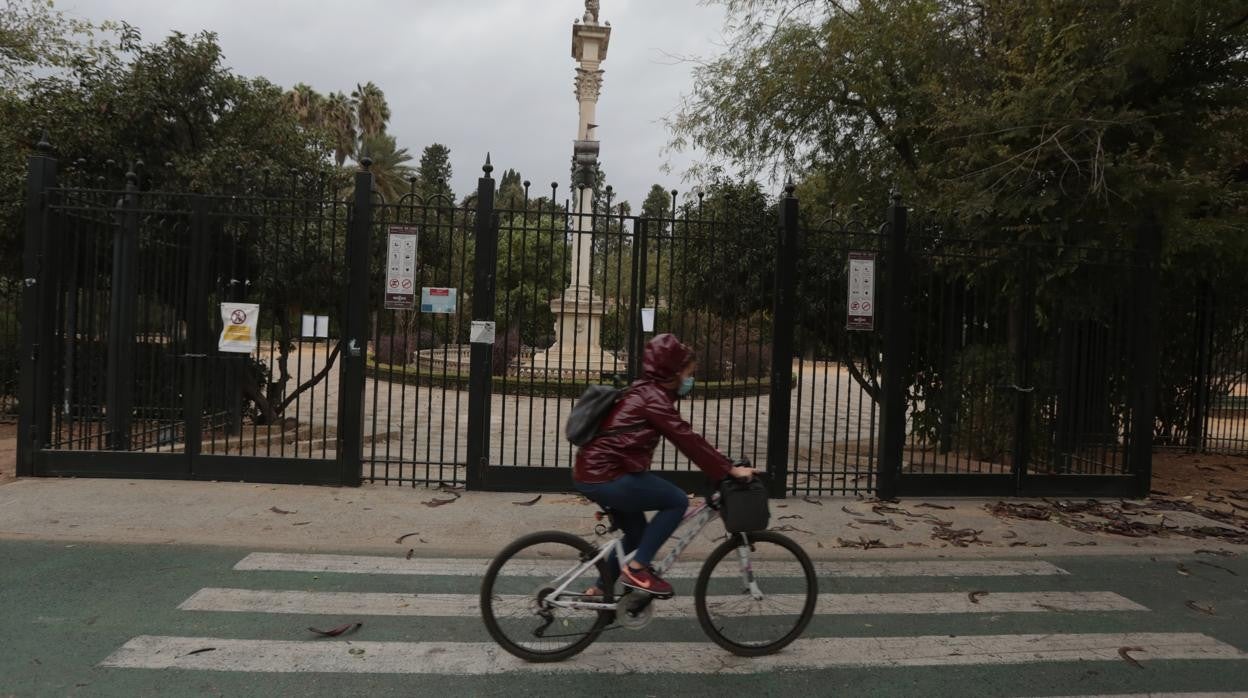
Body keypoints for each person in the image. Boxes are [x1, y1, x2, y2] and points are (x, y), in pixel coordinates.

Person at [573, 333, 754, 598]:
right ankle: (637, 569)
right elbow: (685, 438)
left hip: (594, 471)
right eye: (689, 373)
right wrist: (728, 469)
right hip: (606, 475)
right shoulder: (653, 398)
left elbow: (686, 436)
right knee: (677, 501)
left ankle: (601, 588)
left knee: (637, 534)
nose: (691, 380)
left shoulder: (645, 390)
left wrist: (718, 459)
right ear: (675, 372)